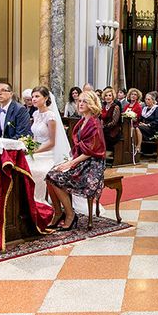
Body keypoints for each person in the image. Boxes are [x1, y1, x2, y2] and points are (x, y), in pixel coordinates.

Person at [45, 90, 106, 231]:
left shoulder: (94, 124)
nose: (80, 104)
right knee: (49, 175)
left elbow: (91, 151)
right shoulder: (82, 121)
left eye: (84, 101)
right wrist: (69, 162)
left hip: (92, 164)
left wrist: (70, 163)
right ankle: (58, 212)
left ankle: (70, 215)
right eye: (79, 101)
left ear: (92, 104)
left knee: (55, 177)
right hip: (82, 160)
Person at [26, 86, 72, 204]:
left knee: (35, 171)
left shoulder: (50, 116)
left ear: (46, 98)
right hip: (37, 151)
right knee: (23, 165)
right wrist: (29, 146)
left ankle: (39, 202)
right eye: (32, 97)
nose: (34, 99)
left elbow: (52, 142)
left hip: (49, 153)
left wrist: (35, 151)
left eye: (37, 96)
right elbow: (35, 137)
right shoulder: (36, 114)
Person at [123, 88, 143, 153]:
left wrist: (131, 116)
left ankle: (137, 146)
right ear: (129, 95)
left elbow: (137, 117)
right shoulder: (127, 106)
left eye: (135, 95)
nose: (133, 96)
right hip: (126, 123)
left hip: (134, 123)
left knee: (135, 129)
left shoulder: (138, 106)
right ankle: (124, 147)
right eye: (132, 94)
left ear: (137, 97)